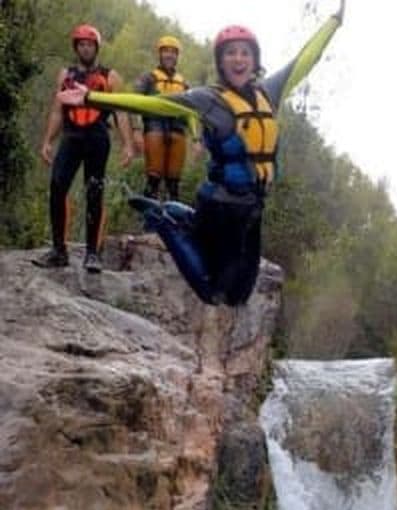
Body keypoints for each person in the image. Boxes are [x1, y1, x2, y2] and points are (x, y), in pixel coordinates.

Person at [57, 2, 344, 305]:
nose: (238, 59)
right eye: (230, 52)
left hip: (251, 209)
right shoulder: (208, 99)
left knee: (238, 297)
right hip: (219, 205)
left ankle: (184, 217)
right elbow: (153, 105)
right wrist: (91, 97)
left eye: (245, 52)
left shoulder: (269, 93)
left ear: (254, 59)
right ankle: (163, 219)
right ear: (221, 60)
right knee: (212, 292)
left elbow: (305, 60)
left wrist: (334, 21)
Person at [35, 23, 134, 273]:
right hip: (71, 136)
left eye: (89, 44)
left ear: (96, 47)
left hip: (98, 137)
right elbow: (57, 111)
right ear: (76, 48)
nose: (85, 48)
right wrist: (48, 140)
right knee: (58, 185)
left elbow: (121, 112)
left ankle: (93, 253)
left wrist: (128, 145)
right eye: (81, 44)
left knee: (94, 190)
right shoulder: (65, 75)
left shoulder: (111, 76)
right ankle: (59, 250)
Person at [134, 35, 194, 202]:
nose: (169, 55)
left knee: (173, 182)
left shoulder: (184, 83)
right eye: (166, 51)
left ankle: (172, 220)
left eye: (173, 52)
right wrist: (136, 130)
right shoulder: (148, 77)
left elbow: (192, 112)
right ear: (159, 54)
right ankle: (149, 219)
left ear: (177, 56)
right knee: (153, 177)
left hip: (178, 131)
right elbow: (134, 103)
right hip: (154, 128)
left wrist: (196, 139)